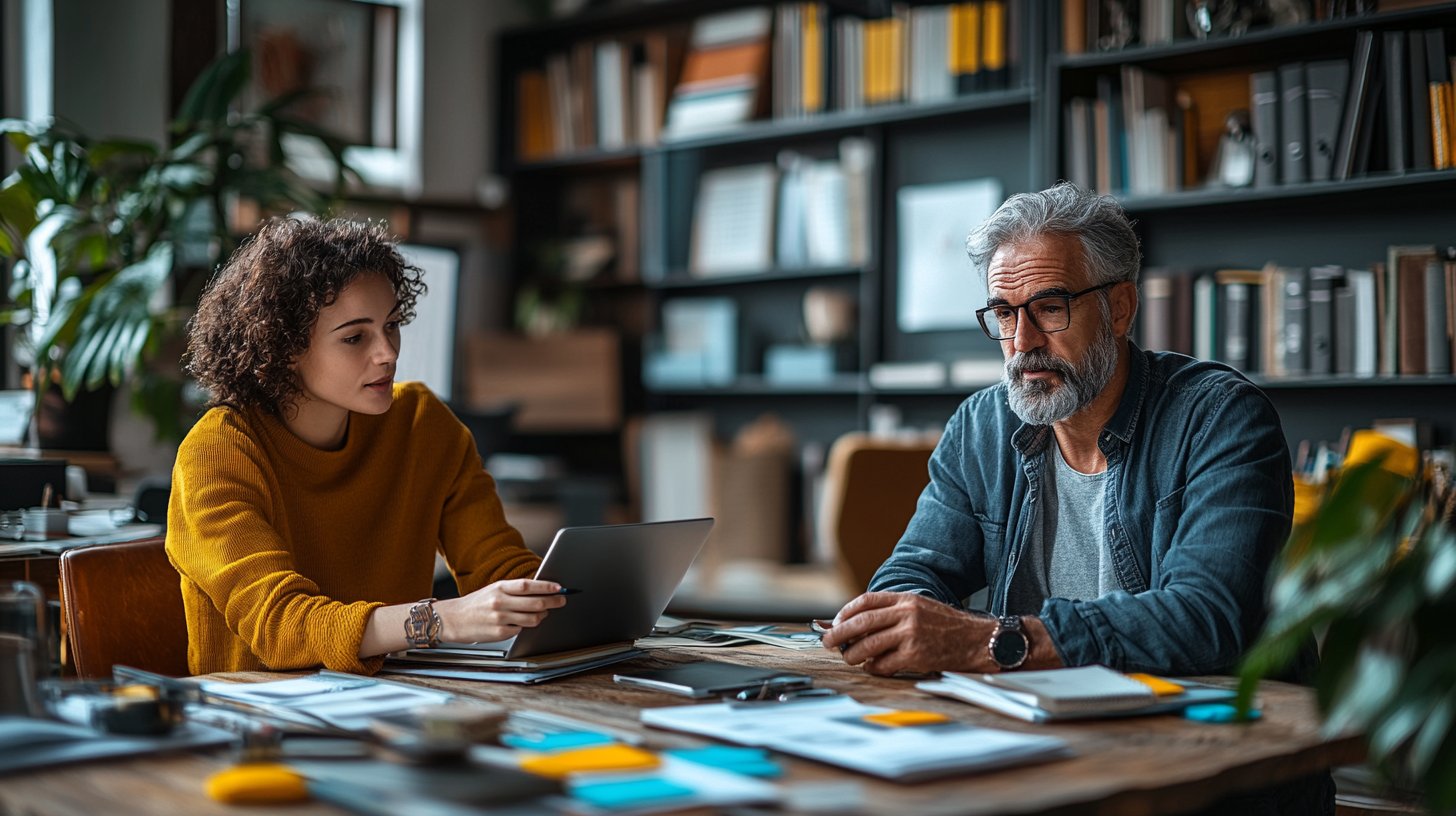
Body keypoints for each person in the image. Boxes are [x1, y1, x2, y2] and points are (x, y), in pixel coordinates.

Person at [820, 182, 1296, 680]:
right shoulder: (981, 427)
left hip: (1209, 725)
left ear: (1121, 309)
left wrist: (994, 642)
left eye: (1050, 308)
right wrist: (898, 623)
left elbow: (1207, 620)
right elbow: (914, 573)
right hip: (1037, 720)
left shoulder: (1220, 418)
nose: (1023, 342)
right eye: (1005, 313)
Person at [168, 217, 564, 675]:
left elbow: (497, 564)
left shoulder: (421, 423)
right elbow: (280, 626)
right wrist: (437, 620)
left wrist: (558, 596)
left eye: (391, 325)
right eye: (356, 337)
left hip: (402, 704)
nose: (388, 353)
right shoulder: (218, 453)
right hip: (259, 726)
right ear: (283, 348)